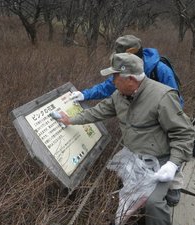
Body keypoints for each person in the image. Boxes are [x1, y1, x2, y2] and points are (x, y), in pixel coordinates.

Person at [58, 53, 195, 225]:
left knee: (154, 204)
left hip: (160, 163)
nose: (112, 81)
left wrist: (173, 164)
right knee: (119, 193)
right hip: (133, 156)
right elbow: (97, 112)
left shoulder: (162, 97)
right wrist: (70, 119)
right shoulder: (119, 95)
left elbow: (184, 133)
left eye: (115, 76)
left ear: (130, 78)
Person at [70, 34, 184, 206]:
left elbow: (176, 101)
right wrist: (85, 94)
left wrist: (164, 115)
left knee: (167, 151)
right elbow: (109, 86)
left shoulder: (159, 69)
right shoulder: (123, 69)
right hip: (140, 121)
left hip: (163, 116)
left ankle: (174, 185)